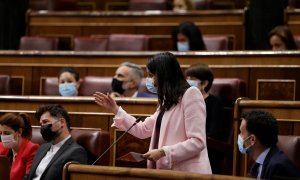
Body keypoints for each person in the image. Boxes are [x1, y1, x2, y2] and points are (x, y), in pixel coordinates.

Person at [94, 52, 212, 174]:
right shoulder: (167, 100)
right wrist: (115, 109)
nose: (150, 80)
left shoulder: (191, 94)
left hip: (188, 172)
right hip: (165, 172)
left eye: (151, 75)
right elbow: (143, 130)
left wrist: (163, 152)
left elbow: (198, 141)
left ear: (163, 74)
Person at [24, 104, 88, 180]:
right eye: (41, 124)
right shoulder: (42, 148)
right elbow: (28, 176)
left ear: (62, 122)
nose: (43, 127)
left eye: (45, 122)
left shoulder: (76, 151)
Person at [185, 63, 224, 174]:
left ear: (205, 83)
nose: (187, 81)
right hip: (186, 146)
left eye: (192, 79)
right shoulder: (185, 100)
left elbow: (214, 132)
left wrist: (193, 143)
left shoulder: (215, 103)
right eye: (186, 78)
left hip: (206, 149)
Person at [238, 110, 300, 179]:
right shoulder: (257, 165)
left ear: (252, 139)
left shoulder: (278, 167)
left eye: (241, 132)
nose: (239, 136)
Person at [0, 113, 39, 180]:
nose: (3, 136)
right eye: (0, 133)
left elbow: (30, 177)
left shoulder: (31, 149)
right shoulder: (2, 146)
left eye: (7, 133)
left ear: (19, 132)